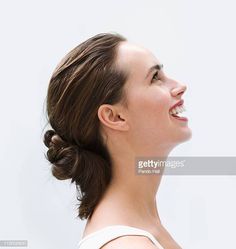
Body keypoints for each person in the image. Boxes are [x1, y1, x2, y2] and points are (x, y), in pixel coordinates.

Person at [43, 32, 192, 249]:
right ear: (115, 117)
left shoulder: (140, 231)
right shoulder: (128, 245)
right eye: (155, 78)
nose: (180, 85)